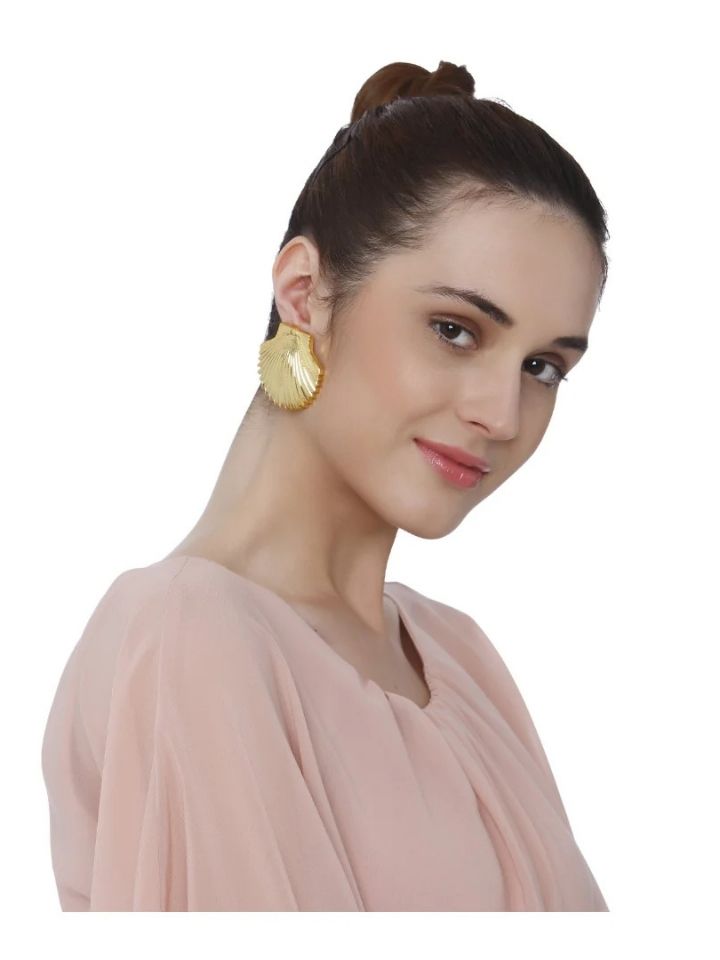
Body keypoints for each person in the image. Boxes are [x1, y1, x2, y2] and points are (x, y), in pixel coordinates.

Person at [41, 59, 610, 911]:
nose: (502, 414)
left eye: (543, 367)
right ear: (304, 294)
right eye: (455, 330)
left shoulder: (459, 657)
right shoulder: (189, 633)